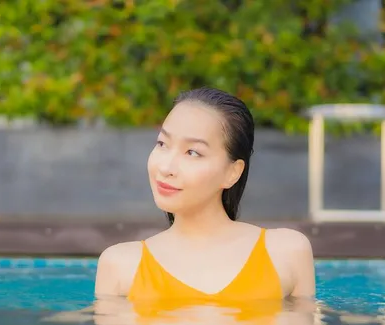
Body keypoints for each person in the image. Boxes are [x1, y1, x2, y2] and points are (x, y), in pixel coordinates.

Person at [94, 87, 315, 301]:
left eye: (192, 152)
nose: (166, 167)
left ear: (232, 172)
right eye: (162, 143)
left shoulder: (285, 252)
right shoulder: (121, 266)